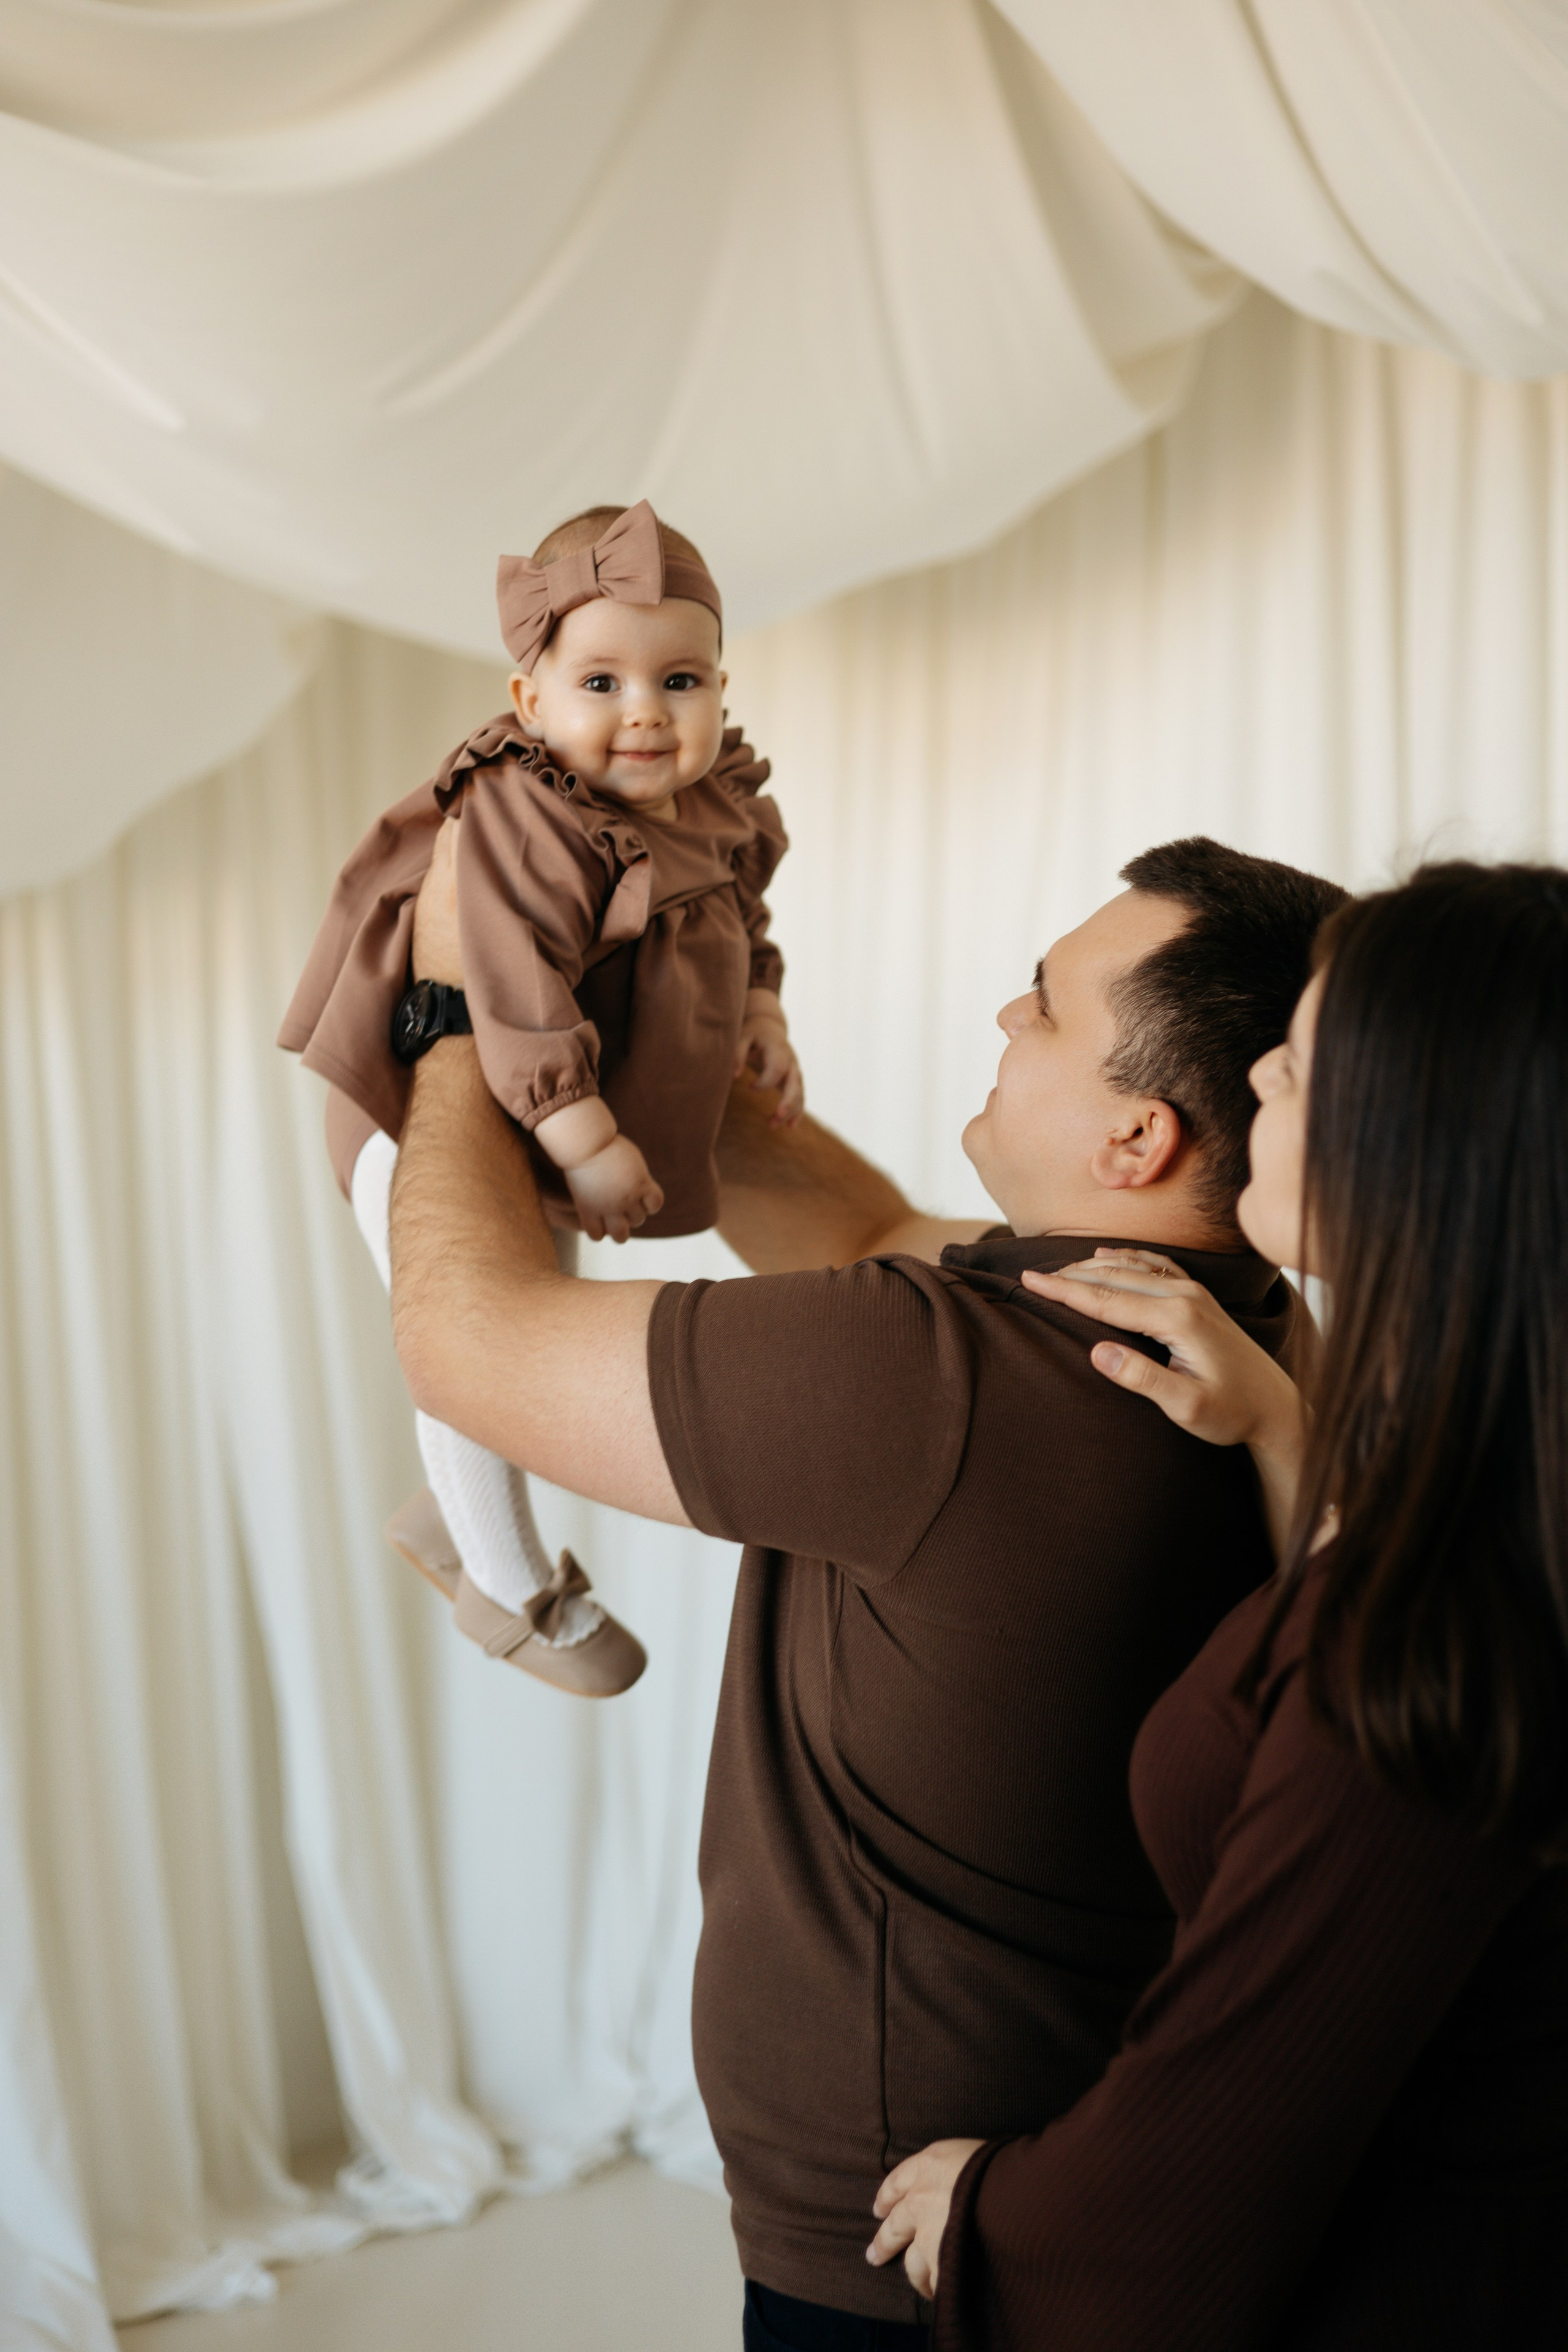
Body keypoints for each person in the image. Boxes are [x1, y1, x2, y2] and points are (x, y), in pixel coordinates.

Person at [388, 821, 1345, 2348]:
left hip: (902, 2243)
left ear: (1136, 1139)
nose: (1004, 1014)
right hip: (1054, 2175)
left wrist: (451, 1010)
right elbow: (868, 1230)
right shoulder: (1230, 1330)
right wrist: (651, 1046)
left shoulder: (939, 1374)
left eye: (1044, 1005)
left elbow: (464, 1340)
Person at [869, 861, 1568, 2350]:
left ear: (1420, 1152)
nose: (1252, 1078)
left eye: (1297, 1066)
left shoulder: (1430, 1644)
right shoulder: (1475, 1493)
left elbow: (1211, 2147)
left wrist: (992, 2201)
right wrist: (1282, 1434)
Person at [280, 500, 802, 1695]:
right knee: (471, 1339)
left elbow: (744, 924)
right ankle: (509, 1591)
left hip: (535, 1121)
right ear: (530, 699)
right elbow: (506, 979)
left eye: (678, 681)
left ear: (720, 689)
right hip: (422, 1098)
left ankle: (453, 1517)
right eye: (601, 682)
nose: (644, 713)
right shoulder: (530, 809)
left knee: (526, 1330)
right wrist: (585, 1133)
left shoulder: (714, 804)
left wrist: (762, 1015)